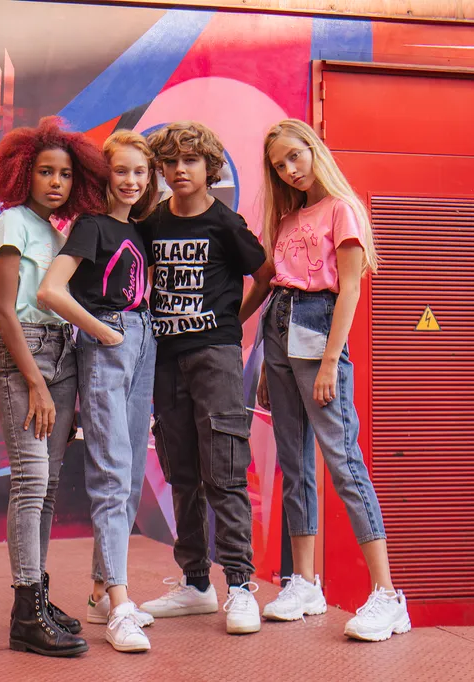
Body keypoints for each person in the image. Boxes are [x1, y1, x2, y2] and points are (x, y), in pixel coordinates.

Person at [253, 118, 409, 642]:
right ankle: (304, 583)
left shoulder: (343, 209)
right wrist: (264, 358)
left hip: (318, 330)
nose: (290, 170)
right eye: (279, 165)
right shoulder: (287, 218)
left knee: (343, 462)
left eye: (295, 156)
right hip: (279, 329)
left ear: (314, 149)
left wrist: (329, 362)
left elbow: (349, 291)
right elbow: (278, 285)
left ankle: (388, 595)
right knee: (294, 464)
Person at [137, 121, 268, 636]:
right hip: (166, 359)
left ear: (209, 167)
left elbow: (265, 274)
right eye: (169, 162)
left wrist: (231, 322)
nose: (178, 170)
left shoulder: (225, 222)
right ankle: (195, 583)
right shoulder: (152, 221)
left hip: (215, 357)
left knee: (225, 470)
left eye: (189, 161)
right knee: (181, 473)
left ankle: (240, 585)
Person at [0, 116, 108, 657]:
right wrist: (34, 382)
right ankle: (24, 613)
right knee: (31, 481)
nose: (56, 182)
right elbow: (3, 312)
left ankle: (36, 597)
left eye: (65, 174)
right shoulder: (10, 225)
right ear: (22, 174)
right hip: (26, 354)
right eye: (44, 172)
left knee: (50, 485)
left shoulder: (57, 233)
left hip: (62, 351)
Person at [38, 129, 158, 653]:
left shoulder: (137, 229)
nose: (131, 181)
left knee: (129, 476)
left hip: (142, 338)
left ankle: (99, 594)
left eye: (140, 172)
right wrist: (102, 331)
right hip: (111, 340)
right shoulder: (91, 226)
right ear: (103, 175)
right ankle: (121, 605)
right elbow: (50, 289)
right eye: (121, 171)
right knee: (111, 472)